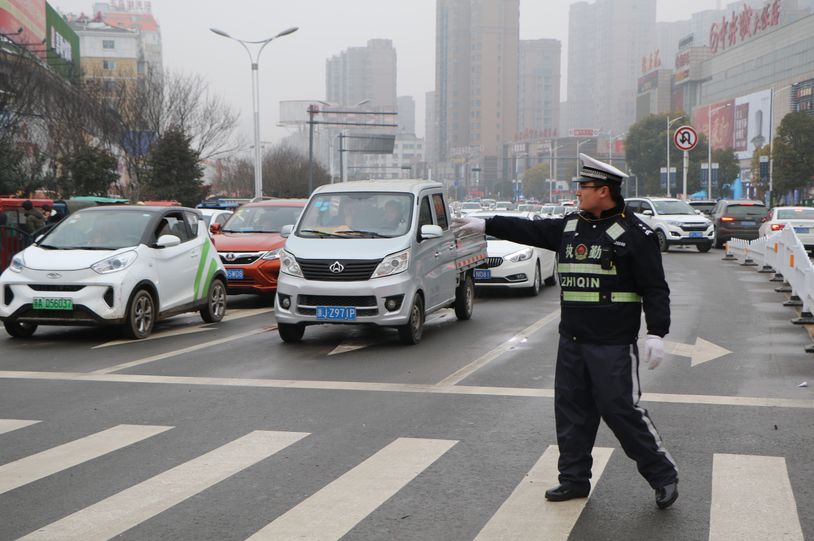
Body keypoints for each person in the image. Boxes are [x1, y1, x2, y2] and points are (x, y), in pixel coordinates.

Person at [452, 154, 678, 510]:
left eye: (583, 188)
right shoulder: (571, 226)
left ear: (604, 191)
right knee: (571, 412)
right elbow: (531, 229)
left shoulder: (636, 235)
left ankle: (663, 475)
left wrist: (657, 332)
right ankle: (573, 480)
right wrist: (487, 223)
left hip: (612, 344)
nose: (577, 193)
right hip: (572, 341)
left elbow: (655, 288)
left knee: (620, 411)